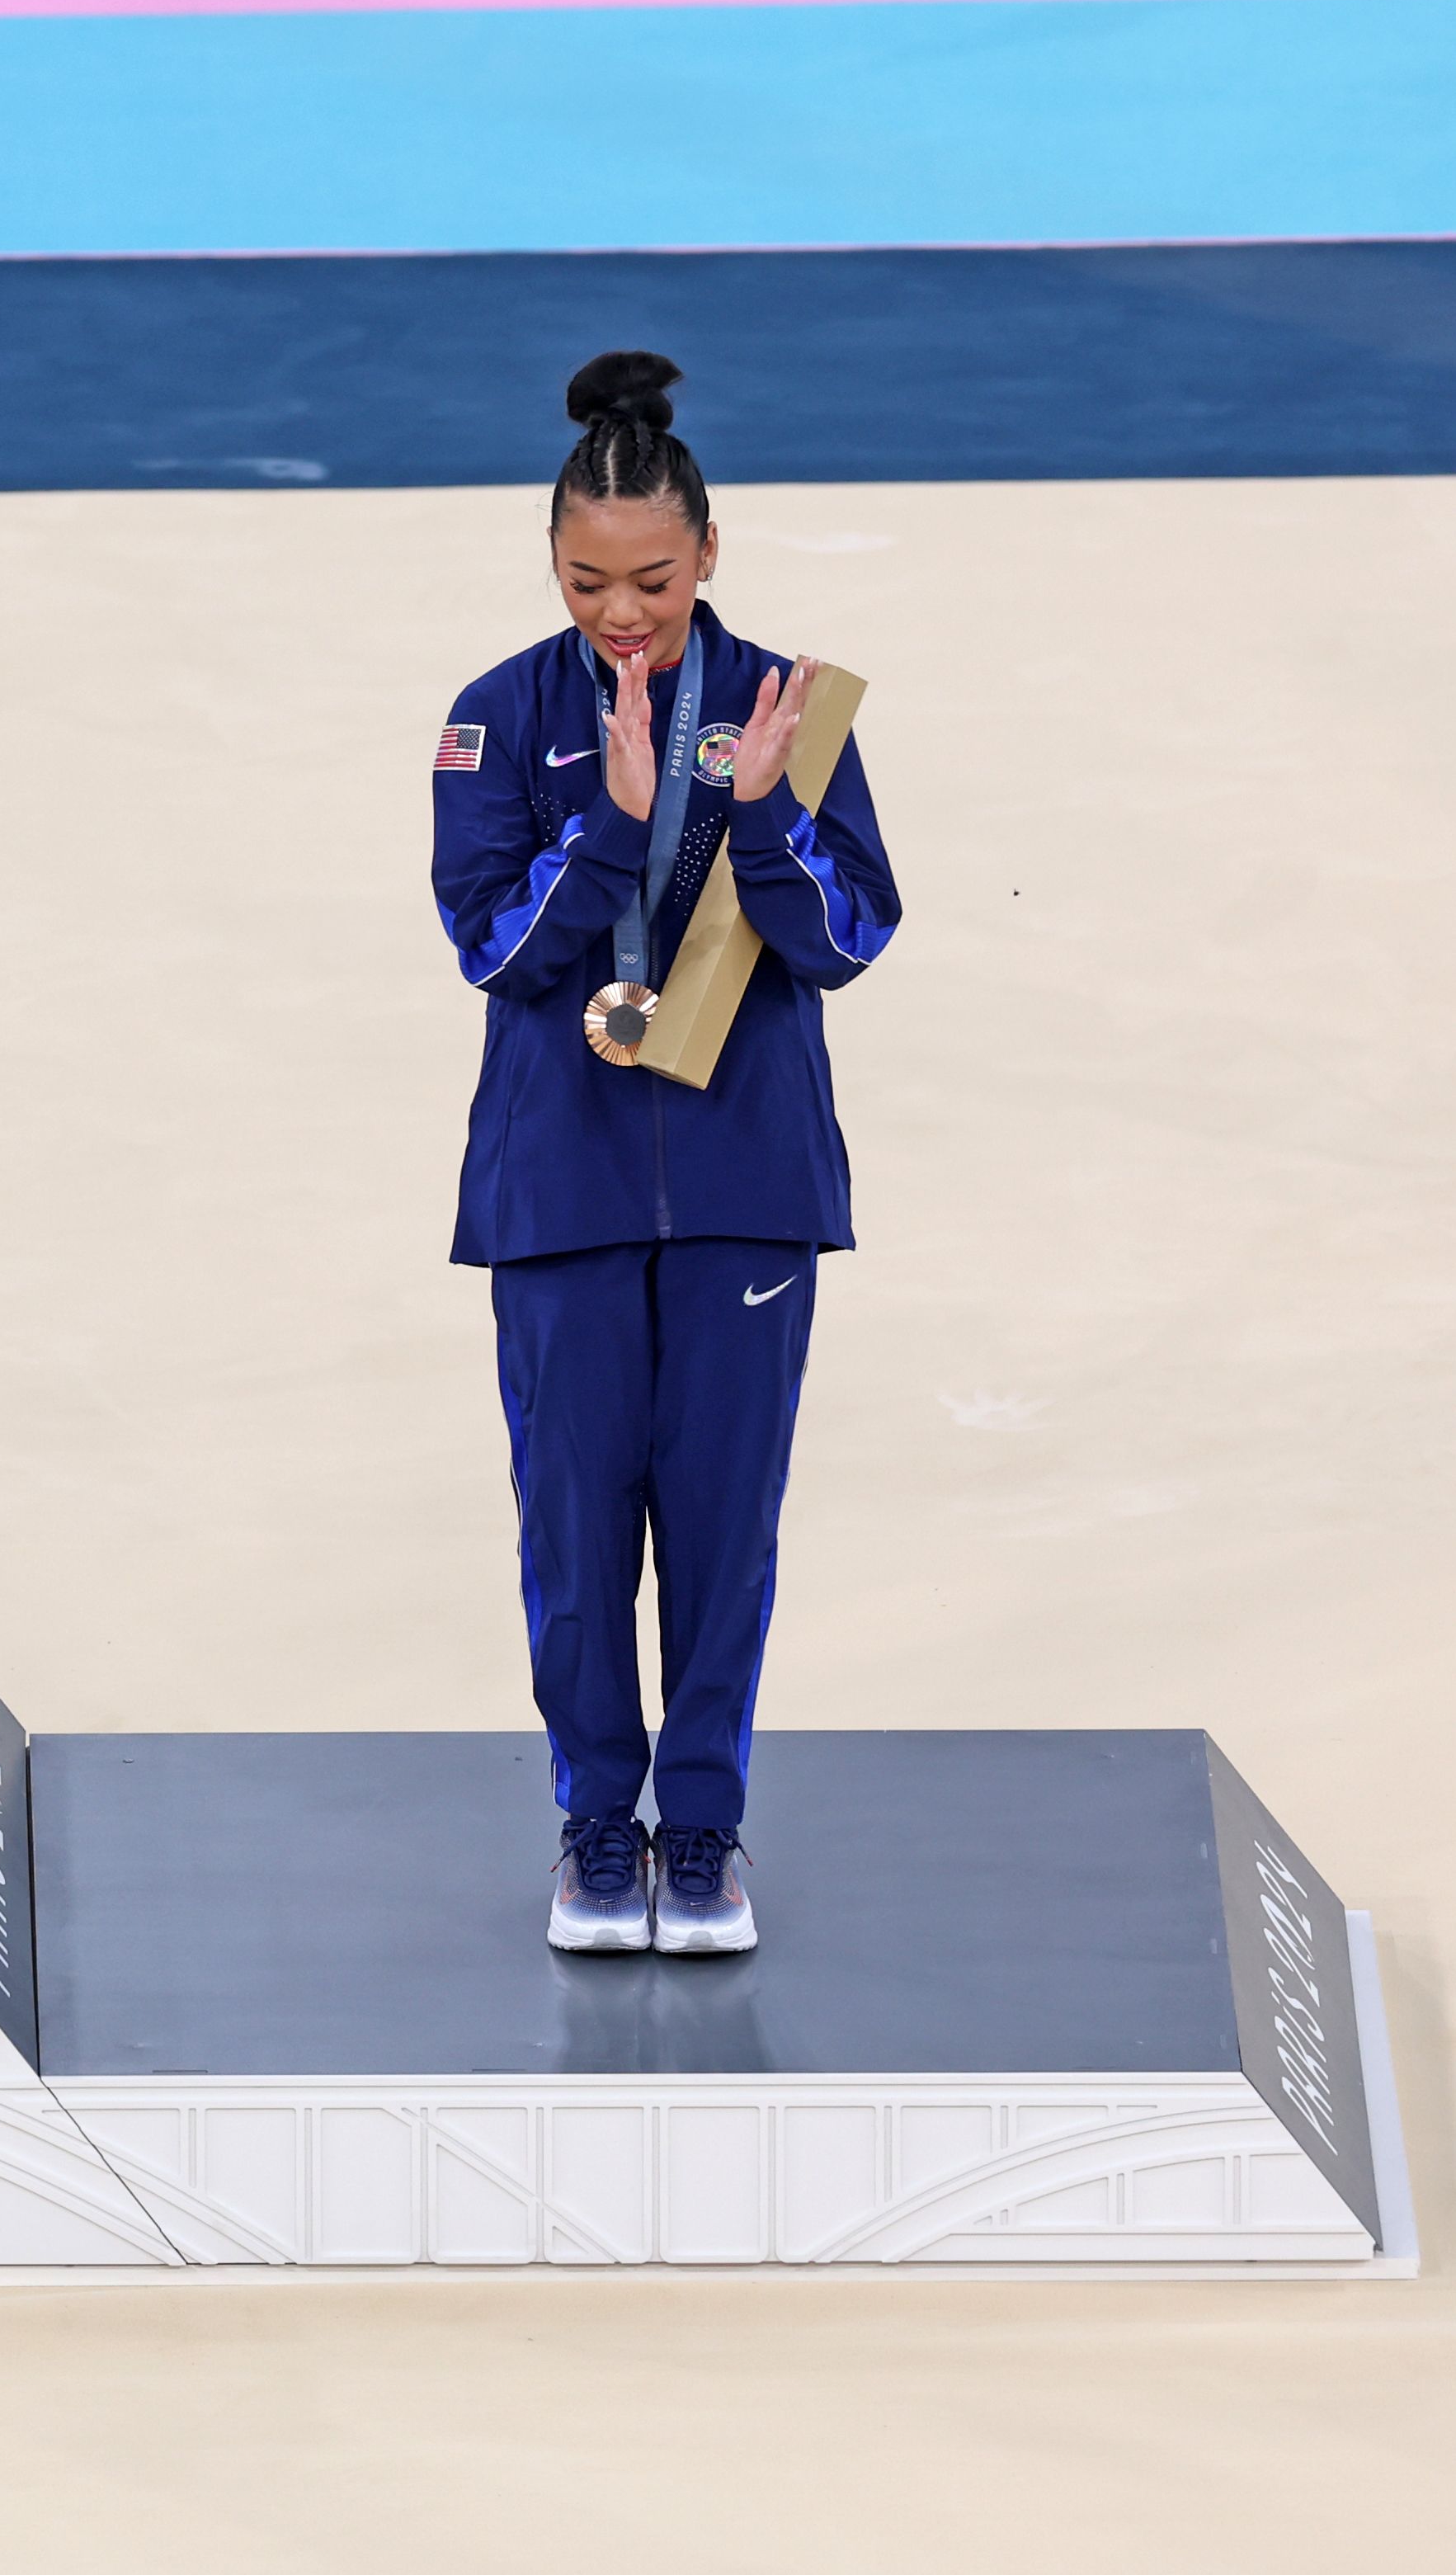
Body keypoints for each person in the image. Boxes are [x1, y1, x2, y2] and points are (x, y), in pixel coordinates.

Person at [430, 352, 899, 1956]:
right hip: (554, 1194)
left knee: (717, 1526)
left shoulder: (785, 707)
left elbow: (840, 938)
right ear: (546, 564)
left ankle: (696, 1838)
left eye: (646, 577)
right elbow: (494, 952)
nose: (616, 612)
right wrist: (613, 828)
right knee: (571, 1533)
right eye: (582, 581)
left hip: (743, 1189)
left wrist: (756, 814)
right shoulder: (495, 715)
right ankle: (590, 1832)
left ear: (707, 552)